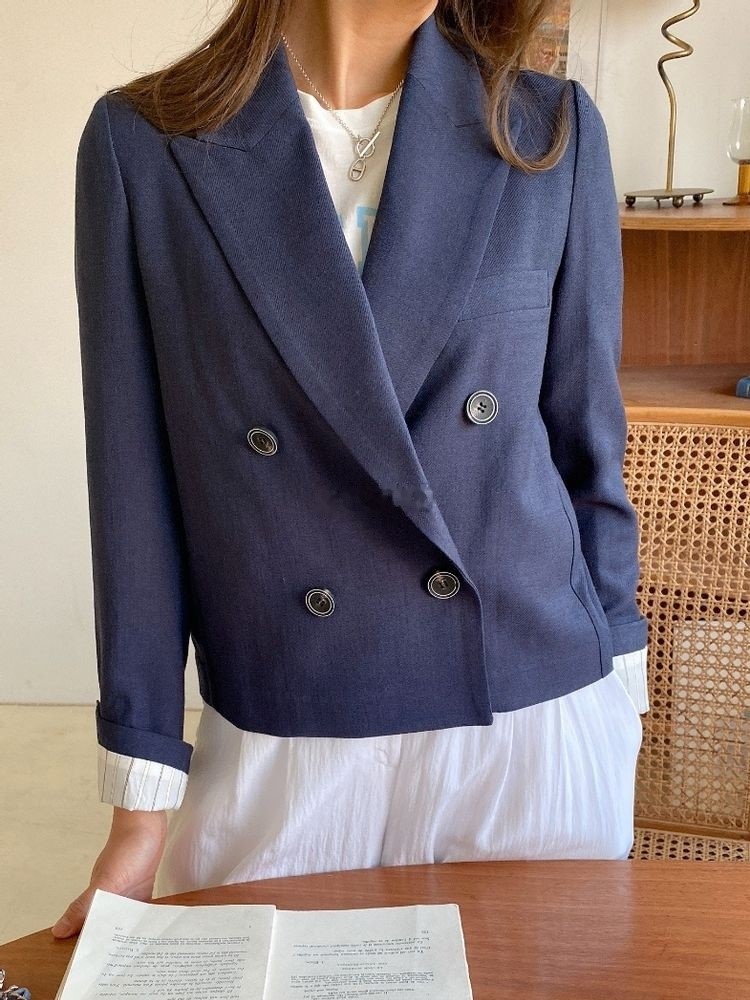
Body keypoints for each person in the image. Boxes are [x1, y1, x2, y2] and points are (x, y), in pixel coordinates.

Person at [52, 0, 650, 939]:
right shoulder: (146, 143)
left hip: (529, 715)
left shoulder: (547, 128)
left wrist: (620, 698)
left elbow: (587, 444)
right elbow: (134, 499)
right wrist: (139, 815)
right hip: (290, 728)